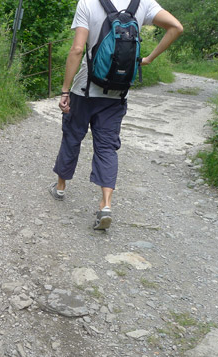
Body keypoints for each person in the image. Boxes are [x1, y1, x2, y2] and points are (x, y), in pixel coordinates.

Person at [48, 0, 183, 230]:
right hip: (117, 93)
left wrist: (64, 89)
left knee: (72, 135)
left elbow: (78, 49)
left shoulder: (87, 3)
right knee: (107, 146)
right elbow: (176, 28)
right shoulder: (143, 3)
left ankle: (60, 187)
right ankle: (106, 205)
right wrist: (149, 58)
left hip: (84, 88)